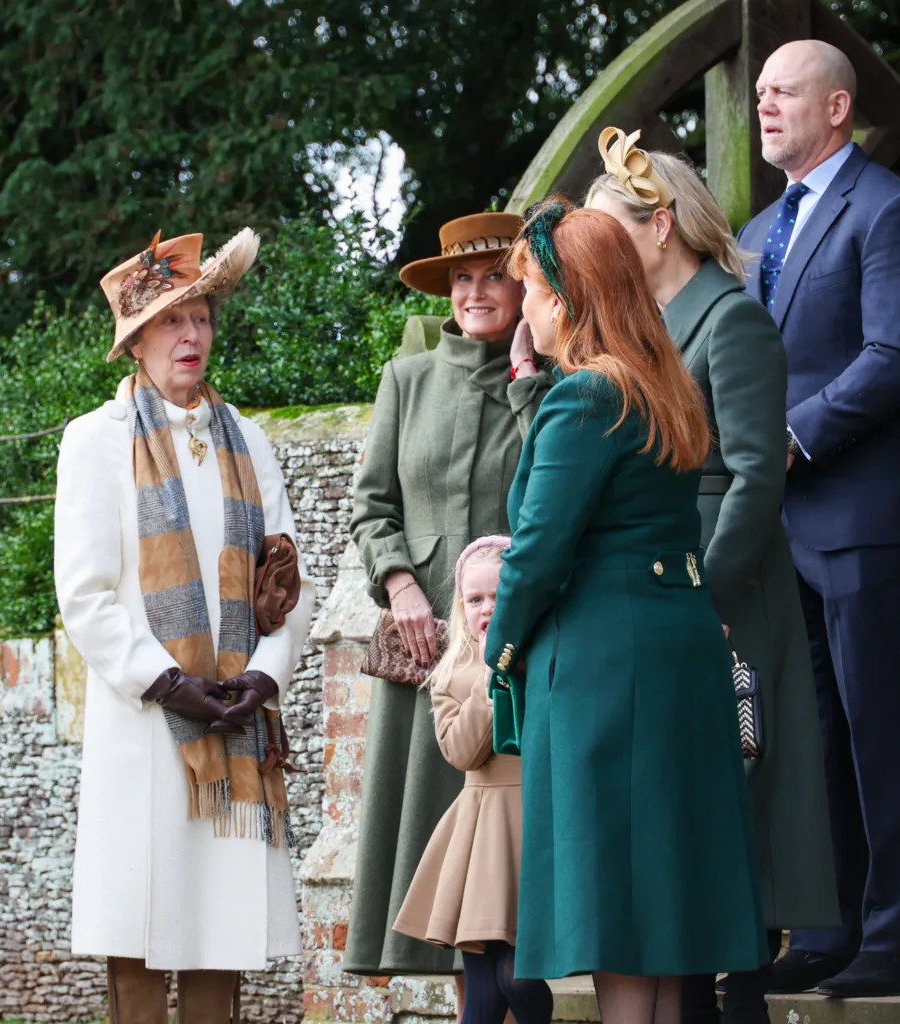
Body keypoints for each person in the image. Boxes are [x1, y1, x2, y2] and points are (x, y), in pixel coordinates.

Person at [483, 199, 769, 1024]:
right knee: (667, 906)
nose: (523, 307)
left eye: (533, 289)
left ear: (572, 297)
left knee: (616, 902)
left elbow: (536, 555)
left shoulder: (585, 399)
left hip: (608, 660)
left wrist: (499, 651)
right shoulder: (664, 381)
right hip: (677, 649)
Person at [587, 128, 838, 1024]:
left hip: (725, 585)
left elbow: (760, 473)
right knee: (678, 821)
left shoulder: (730, 318)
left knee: (736, 803)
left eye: (609, 227)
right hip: (661, 583)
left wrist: (708, 598)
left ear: (660, 227)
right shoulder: (644, 328)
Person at [739, 40, 900, 998]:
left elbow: (898, 355)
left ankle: (892, 939)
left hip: (868, 513)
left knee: (880, 730)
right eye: (757, 94)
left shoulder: (897, 211)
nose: (764, 105)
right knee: (810, 733)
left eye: (782, 91)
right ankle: (826, 930)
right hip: (780, 524)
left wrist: (791, 437)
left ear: (837, 107)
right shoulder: (755, 228)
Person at [54, 228, 316, 1023]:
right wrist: (167, 683)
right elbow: (87, 596)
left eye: (200, 317)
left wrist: (265, 675)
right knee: (136, 938)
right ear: (136, 341)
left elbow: (288, 582)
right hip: (144, 732)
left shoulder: (250, 442)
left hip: (233, 728)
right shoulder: (94, 444)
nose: (191, 335)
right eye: (171, 321)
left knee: (220, 938)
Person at [345, 212, 553, 985]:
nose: (474, 292)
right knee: (427, 840)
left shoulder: (550, 380)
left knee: (513, 855)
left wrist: (530, 379)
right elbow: (371, 505)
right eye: (460, 279)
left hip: (518, 640)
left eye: (493, 275)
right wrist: (399, 581)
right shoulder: (407, 379)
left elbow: (560, 489)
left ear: (522, 284)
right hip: (428, 638)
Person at [394, 536, 553, 1024]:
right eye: (475, 599)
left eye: (500, 596)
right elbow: (463, 753)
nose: (488, 608)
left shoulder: (549, 652)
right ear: (461, 607)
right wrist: (489, 679)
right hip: (484, 829)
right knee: (484, 991)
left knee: (519, 977)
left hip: (540, 820)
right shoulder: (453, 672)